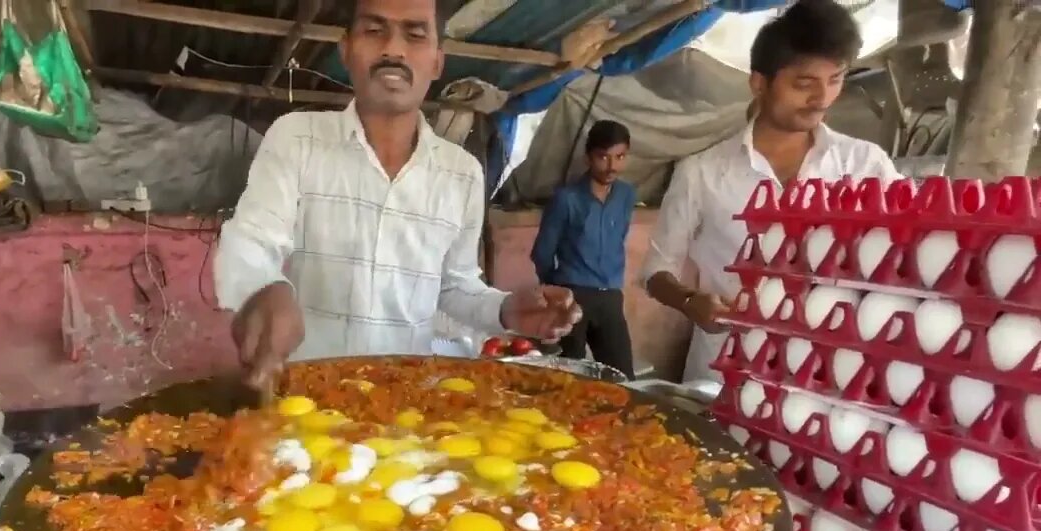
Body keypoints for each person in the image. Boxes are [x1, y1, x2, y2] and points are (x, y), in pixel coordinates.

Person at [213, 0, 581, 388]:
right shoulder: (296, 139)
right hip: (307, 399)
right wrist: (264, 288)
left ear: (437, 62)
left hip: (405, 405)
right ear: (346, 49)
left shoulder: (462, 174)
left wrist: (505, 309)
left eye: (415, 34)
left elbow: (454, 285)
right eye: (374, 30)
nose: (393, 49)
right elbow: (251, 241)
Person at [641, 0, 903, 383]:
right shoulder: (702, 173)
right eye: (804, 84)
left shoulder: (866, 165)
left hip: (826, 377)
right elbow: (655, 271)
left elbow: (905, 256)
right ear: (759, 83)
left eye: (835, 80)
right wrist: (690, 301)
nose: (822, 99)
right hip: (728, 369)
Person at [530, 120, 637, 378]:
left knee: (621, 377)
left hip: (610, 296)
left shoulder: (627, 194)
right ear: (589, 157)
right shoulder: (566, 198)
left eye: (620, 157)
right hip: (572, 295)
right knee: (569, 376)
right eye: (603, 157)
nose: (612, 166)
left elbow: (619, 237)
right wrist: (557, 289)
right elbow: (542, 252)